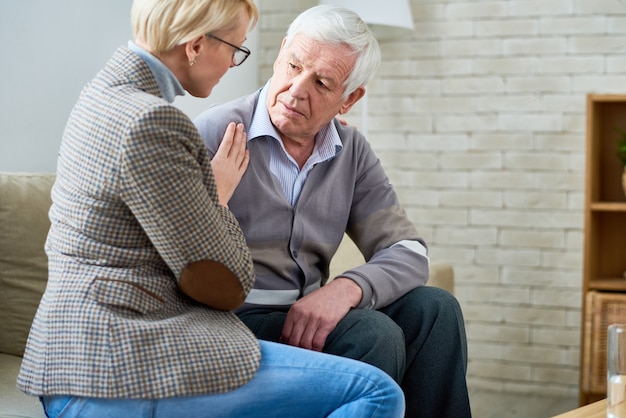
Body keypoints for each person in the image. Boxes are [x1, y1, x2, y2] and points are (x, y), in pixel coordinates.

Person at [16, 1, 406, 417]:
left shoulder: (105, 95)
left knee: (430, 309)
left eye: (324, 84)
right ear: (197, 45)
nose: (234, 66)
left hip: (86, 357)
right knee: (378, 392)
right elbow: (223, 282)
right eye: (236, 49)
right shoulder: (159, 123)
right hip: (115, 368)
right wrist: (215, 196)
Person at [194, 4, 472, 418]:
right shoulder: (214, 133)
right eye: (293, 65)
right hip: (232, 322)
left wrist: (345, 289)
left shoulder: (351, 151)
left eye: (322, 82)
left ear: (349, 99)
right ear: (281, 51)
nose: (295, 89)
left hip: (307, 316)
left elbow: (409, 251)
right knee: (371, 333)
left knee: (436, 309)